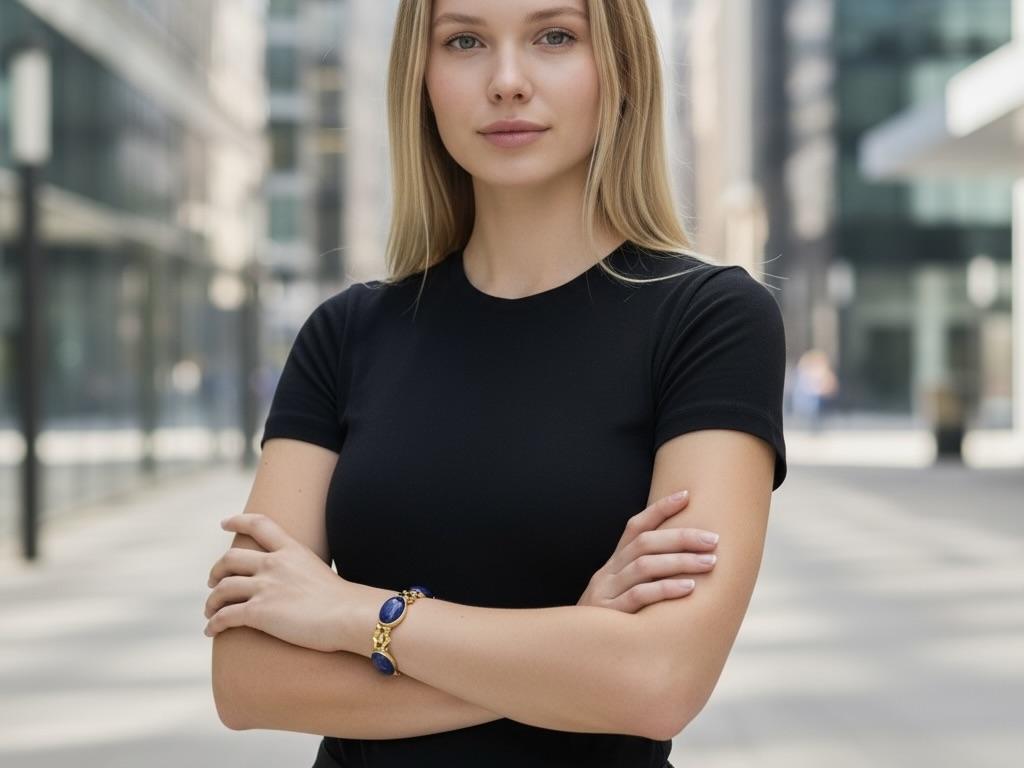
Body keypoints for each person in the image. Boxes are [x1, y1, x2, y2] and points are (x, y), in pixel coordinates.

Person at [203, 1, 787, 766]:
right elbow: (249, 680)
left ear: (620, 67)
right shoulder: (346, 334)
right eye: (465, 41)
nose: (507, 81)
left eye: (554, 37)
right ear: (422, 74)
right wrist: (572, 649)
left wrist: (353, 614)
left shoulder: (711, 320)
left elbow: (658, 682)